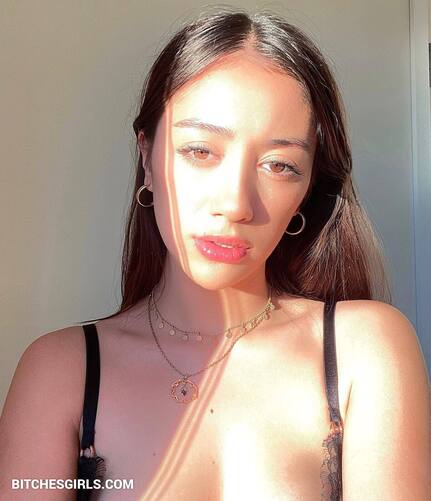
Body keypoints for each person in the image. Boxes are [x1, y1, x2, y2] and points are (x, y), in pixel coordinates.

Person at [0, 7, 430, 501]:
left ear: (307, 189)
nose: (236, 204)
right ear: (147, 157)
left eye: (279, 165)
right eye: (200, 151)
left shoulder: (362, 351)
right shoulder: (62, 372)